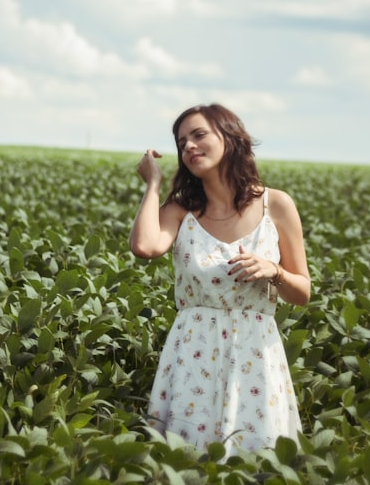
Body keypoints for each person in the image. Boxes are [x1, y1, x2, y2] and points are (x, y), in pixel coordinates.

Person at [129, 103, 311, 457]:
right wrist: (153, 184)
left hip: (255, 356)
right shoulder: (182, 211)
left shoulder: (277, 205)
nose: (189, 147)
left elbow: (302, 292)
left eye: (199, 135)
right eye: (182, 143)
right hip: (193, 354)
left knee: (258, 465)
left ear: (230, 137)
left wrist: (274, 271)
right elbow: (145, 246)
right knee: (188, 464)